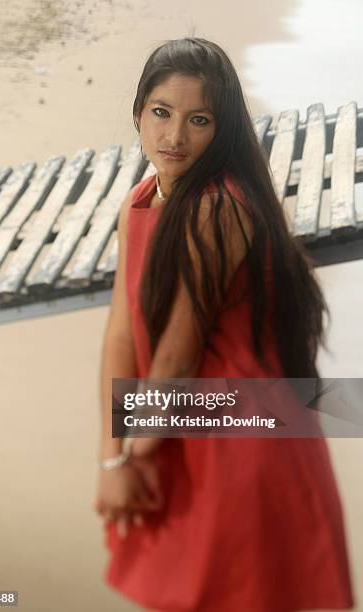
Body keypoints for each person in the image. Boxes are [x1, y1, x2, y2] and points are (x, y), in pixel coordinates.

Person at [94, 37, 355, 612]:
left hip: (239, 442)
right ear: (137, 111)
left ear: (223, 128)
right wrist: (114, 455)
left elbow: (178, 354)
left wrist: (127, 460)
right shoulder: (138, 203)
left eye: (199, 120)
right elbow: (119, 334)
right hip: (171, 425)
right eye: (161, 113)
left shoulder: (220, 206)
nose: (174, 137)